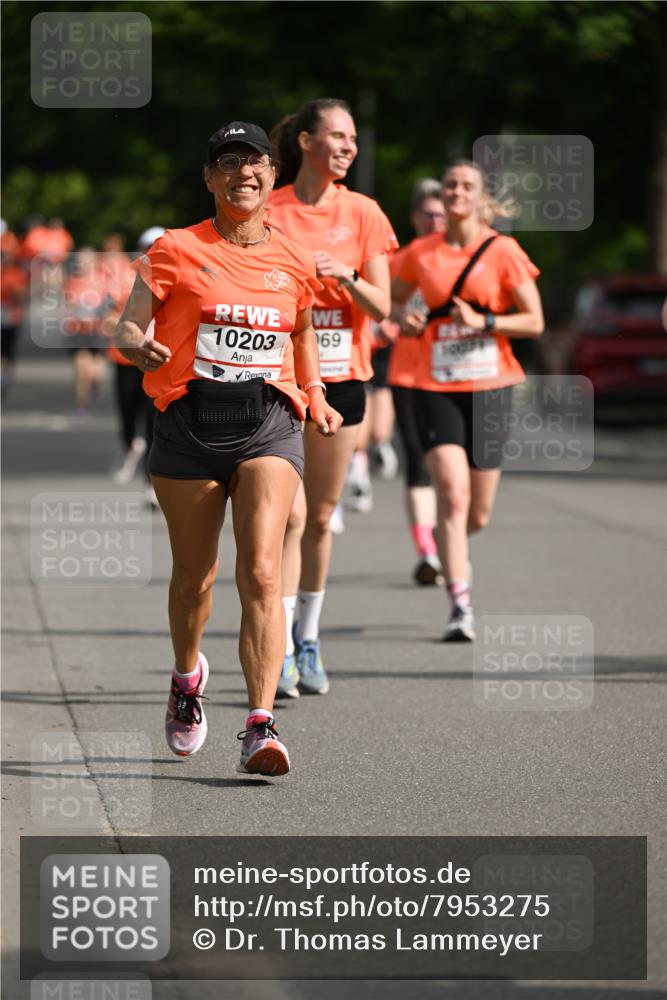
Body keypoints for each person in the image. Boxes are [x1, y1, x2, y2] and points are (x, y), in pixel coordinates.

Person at [114, 121, 342, 775]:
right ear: (210, 178)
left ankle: (259, 724)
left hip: (268, 420)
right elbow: (128, 322)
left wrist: (315, 389)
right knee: (194, 581)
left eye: (256, 163)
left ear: (273, 176)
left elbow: (300, 328)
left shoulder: (294, 259)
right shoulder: (175, 249)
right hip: (188, 424)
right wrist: (137, 344)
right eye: (229, 163)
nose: (244, 172)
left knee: (265, 572)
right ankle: (187, 681)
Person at [268, 98, 397, 698]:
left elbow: (383, 306)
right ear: (306, 141)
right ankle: (281, 649)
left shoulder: (364, 212)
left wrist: (343, 276)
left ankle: (308, 637)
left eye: (353, 138)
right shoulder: (270, 208)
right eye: (337, 136)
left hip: (343, 375)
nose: (348, 146)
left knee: (318, 516)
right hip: (280, 377)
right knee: (288, 516)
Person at [391, 160, 543, 640]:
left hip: (492, 385)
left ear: (480, 197)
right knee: (452, 496)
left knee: (477, 513)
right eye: (451, 184)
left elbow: (534, 320)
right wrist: (406, 317)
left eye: (466, 186)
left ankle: (450, 544)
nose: (456, 191)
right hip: (434, 386)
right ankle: (460, 605)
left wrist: (487, 323)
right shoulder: (420, 252)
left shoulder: (503, 251)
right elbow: (390, 301)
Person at [388, 178, 447, 585]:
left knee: (453, 472)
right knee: (416, 461)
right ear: (414, 218)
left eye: (441, 214)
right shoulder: (401, 260)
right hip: (408, 373)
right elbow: (380, 307)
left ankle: (449, 539)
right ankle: (428, 551)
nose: (435, 220)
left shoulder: (470, 257)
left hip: (457, 380)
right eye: (428, 214)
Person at [104, 229, 164, 504]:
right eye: (147, 245)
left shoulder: (174, 273)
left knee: (153, 421)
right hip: (124, 357)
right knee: (127, 412)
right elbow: (108, 308)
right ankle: (130, 444)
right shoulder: (125, 273)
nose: (151, 249)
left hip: (158, 359)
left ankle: (150, 483)